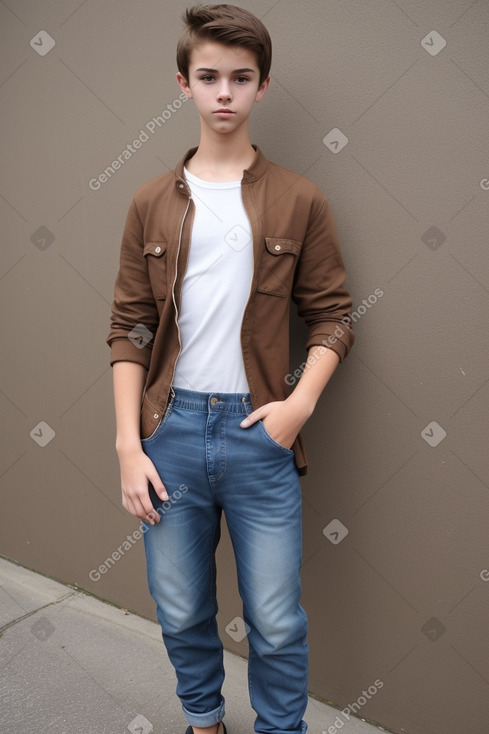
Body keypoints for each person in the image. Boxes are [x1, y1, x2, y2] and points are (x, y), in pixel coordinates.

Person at [107, 5, 354, 734]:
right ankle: (204, 723)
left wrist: (298, 406)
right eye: (208, 77)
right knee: (181, 606)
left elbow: (335, 315)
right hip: (170, 434)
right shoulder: (149, 200)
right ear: (183, 83)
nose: (224, 93)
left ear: (261, 88)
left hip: (258, 434)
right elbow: (130, 327)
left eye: (239, 79)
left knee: (275, 618)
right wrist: (128, 445)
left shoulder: (299, 197)